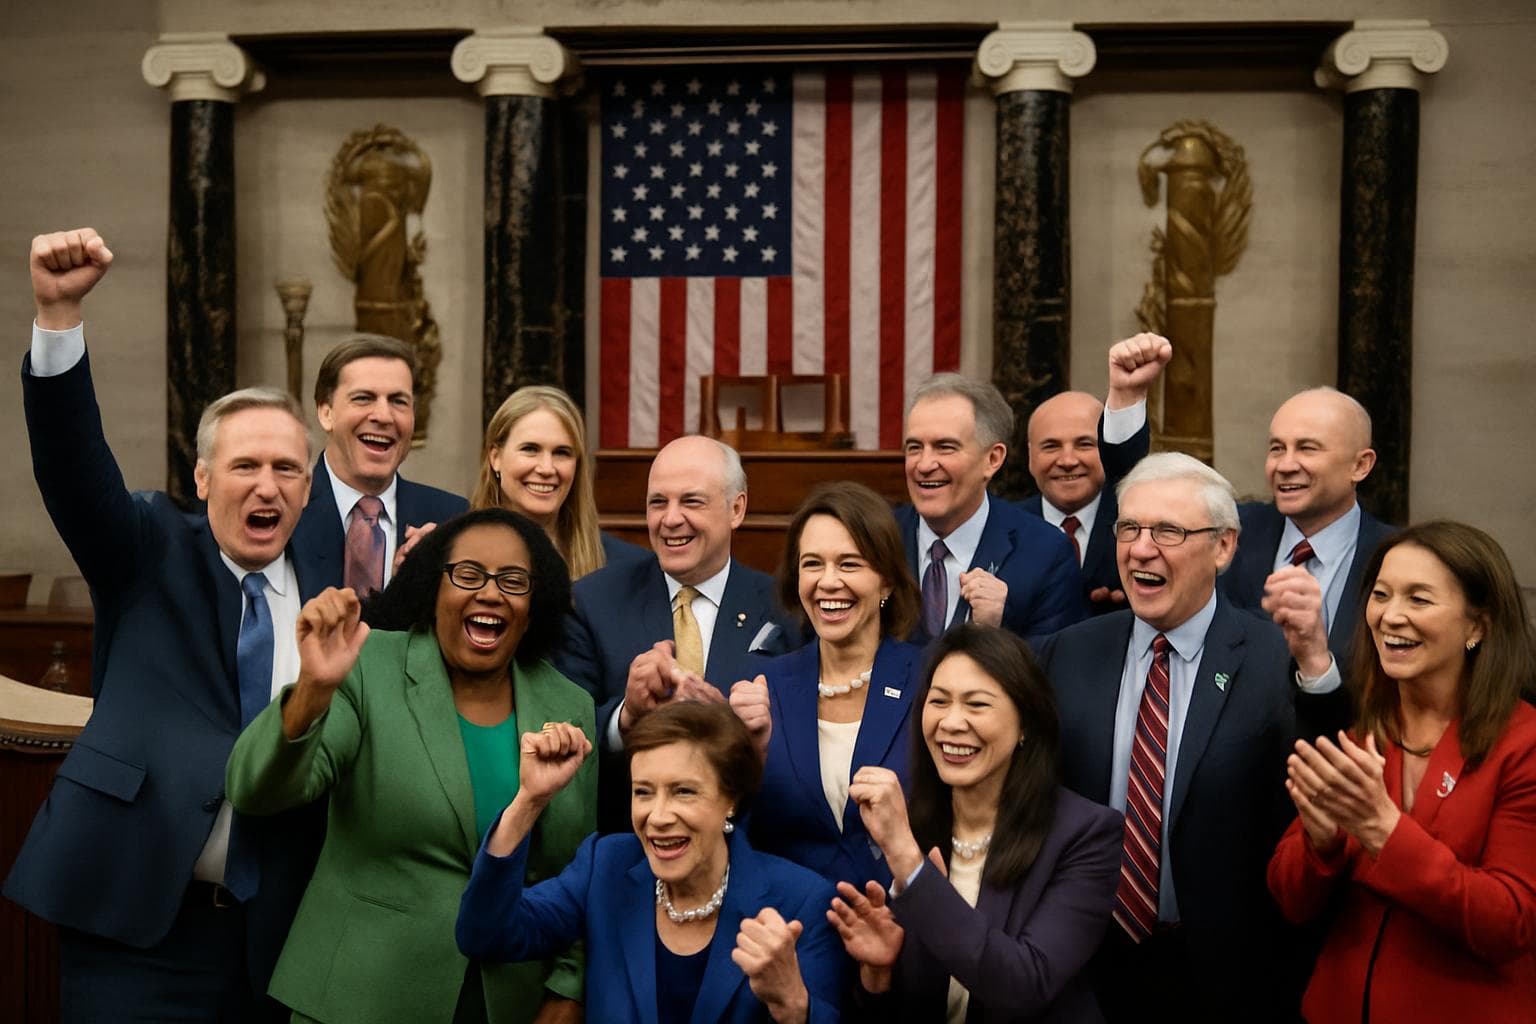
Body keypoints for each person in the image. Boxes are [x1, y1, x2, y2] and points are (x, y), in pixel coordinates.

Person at [3, 228, 321, 1020]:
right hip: (137, 925)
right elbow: (74, 465)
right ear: (203, 477)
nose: (267, 485)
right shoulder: (148, 549)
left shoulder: (334, 599)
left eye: (287, 469)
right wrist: (58, 316)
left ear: (310, 489)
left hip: (278, 940)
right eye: (246, 465)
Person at [226, 508, 597, 1024]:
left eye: (513, 581)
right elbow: (254, 791)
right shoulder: (369, 667)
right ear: (432, 589)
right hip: (360, 997)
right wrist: (312, 690)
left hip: (509, 1003)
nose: (490, 593)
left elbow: (576, 868)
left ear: (535, 602)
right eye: (467, 574)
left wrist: (568, 990)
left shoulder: (569, 703)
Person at [1033, 453, 1300, 1021]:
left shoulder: (1273, 660)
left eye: (1168, 531)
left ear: (1224, 548)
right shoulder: (1069, 652)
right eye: (1129, 528)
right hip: (1085, 965)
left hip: (1223, 975)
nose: (1140, 548)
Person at [1268, 521, 1536, 1022]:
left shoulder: (1524, 746)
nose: (1391, 616)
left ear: (1477, 626)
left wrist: (1382, 831)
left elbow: (1510, 923)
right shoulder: (1364, 733)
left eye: (1419, 600)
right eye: (1382, 595)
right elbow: (1290, 901)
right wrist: (1320, 844)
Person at [456, 701, 847, 1023]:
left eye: (683, 792)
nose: (657, 816)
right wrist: (530, 801)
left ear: (730, 800)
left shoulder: (801, 901)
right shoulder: (605, 866)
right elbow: (485, 935)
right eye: (643, 792)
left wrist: (793, 1004)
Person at [829, 624, 1122, 1022]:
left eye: (977, 705)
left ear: (1025, 725)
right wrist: (878, 975)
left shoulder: (1086, 834)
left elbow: (1025, 984)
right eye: (939, 701)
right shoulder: (909, 819)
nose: (951, 723)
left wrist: (909, 861)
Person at [556, 434, 794, 830]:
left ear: (736, 508)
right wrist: (627, 715)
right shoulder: (592, 603)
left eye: (691, 501)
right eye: (658, 502)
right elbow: (562, 731)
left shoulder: (786, 607)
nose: (670, 519)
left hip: (755, 848)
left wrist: (767, 731)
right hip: (630, 849)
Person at [730, 482, 923, 888]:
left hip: (900, 926)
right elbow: (736, 830)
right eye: (812, 564)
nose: (828, 582)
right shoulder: (765, 688)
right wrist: (752, 757)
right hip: (790, 929)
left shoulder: (929, 681)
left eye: (849, 564)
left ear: (886, 580)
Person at [1221, 387, 1396, 733]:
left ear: (1360, 465)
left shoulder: (1395, 557)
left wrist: (1317, 665)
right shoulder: (1229, 534)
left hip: (1340, 759)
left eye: (1307, 448)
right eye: (1276, 449)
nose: (1285, 466)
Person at [896, 374, 1086, 644]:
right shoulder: (876, 540)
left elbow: (1053, 674)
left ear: (992, 459)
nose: (924, 464)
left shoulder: (1046, 553)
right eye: (914, 447)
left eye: (945, 447)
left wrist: (997, 627)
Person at [291, 333, 466, 594]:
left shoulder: (452, 518)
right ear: (326, 412)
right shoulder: (287, 509)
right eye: (363, 398)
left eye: (398, 401)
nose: (384, 416)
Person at [1022, 335, 1168, 615]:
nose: (1067, 460)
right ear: (1030, 457)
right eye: (1051, 446)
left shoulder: (1143, 526)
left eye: (1084, 444)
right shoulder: (1003, 530)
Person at [470, 384, 647, 577]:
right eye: (530, 449)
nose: (547, 468)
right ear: (495, 457)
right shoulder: (452, 552)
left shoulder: (623, 568)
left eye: (562, 452)